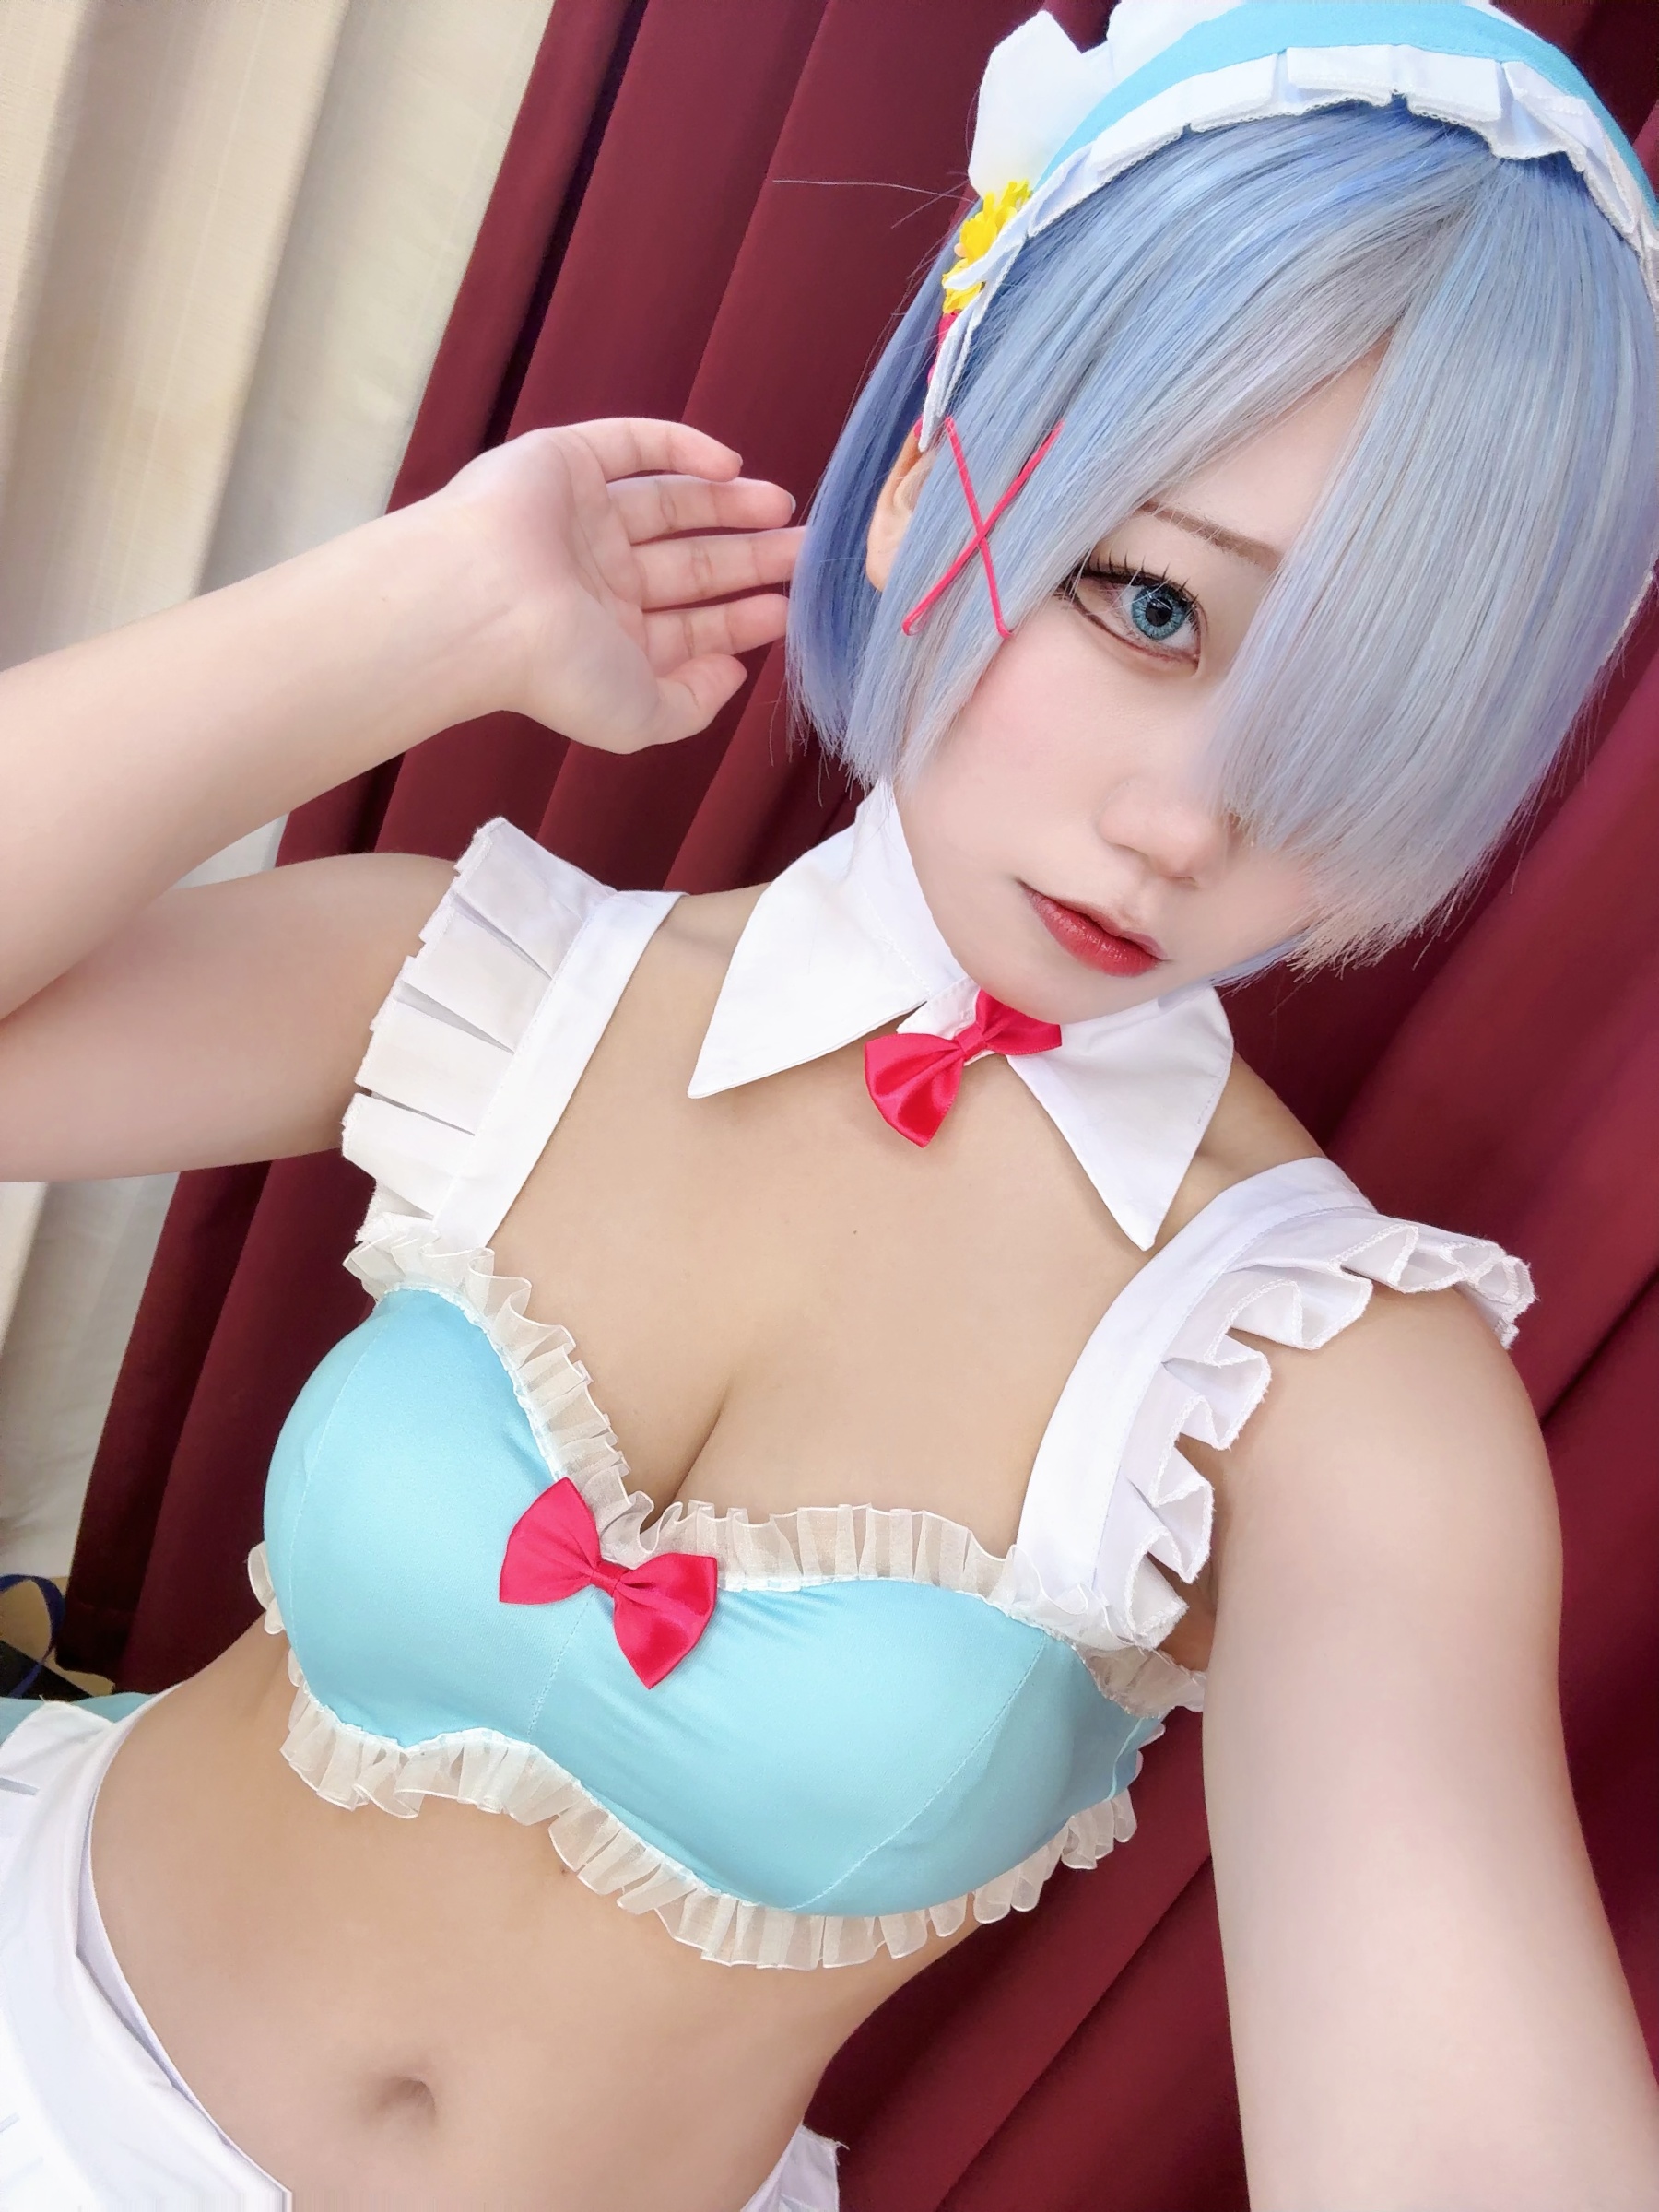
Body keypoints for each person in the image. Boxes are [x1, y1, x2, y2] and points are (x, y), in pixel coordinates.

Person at [1, 2, 1657, 2205]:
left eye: (1379, 725)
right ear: (917, 490)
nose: (1191, 824)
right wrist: (425, 609)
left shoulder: (1323, 1380)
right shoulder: (502, 992)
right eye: (1151, 603)